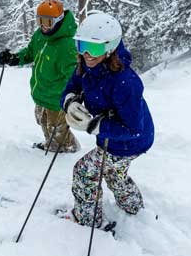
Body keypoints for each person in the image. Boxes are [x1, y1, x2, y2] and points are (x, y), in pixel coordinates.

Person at [59, 12, 154, 227]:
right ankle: (133, 206)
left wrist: (94, 125)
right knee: (114, 174)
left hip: (129, 142)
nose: (86, 54)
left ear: (110, 48)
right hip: (115, 137)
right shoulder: (86, 65)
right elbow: (72, 86)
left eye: (94, 48)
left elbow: (133, 129)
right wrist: (70, 102)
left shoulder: (126, 82)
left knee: (84, 173)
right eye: (81, 45)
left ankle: (87, 220)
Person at [0, 0, 80, 153]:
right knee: (43, 122)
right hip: (41, 93)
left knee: (57, 129)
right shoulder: (40, 35)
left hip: (56, 99)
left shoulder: (66, 45)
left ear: (58, 21)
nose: (43, 25)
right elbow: (30, 53)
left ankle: (67, 149)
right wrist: (14, 58)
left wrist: (73, 96)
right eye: (40, 21)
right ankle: (52, 144)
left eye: (47, 22)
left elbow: (73, 75)